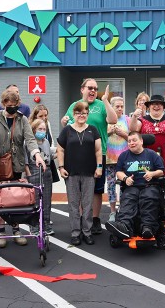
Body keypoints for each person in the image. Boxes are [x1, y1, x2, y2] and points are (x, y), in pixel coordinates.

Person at [0, 90, 45, 247]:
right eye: (8, 105)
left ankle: (16, 229)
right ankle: (1, 231)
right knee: (0, 197)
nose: (11, 107)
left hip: (17, 164)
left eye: (14, 105)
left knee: (15, 198)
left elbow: (30, 139)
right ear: (3, 103)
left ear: (18, 104)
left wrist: (36, 155)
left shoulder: (22, 119)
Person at [61, 78, 117, 235]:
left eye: (95, 88)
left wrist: (105, 100)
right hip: (77, 156)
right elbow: (66, 125)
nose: (93, 91)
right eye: (90, 88)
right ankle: (81, 219)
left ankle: (95, 218)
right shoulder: (74, 105)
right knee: (79, 189)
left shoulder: (101, 105)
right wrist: (63, 121)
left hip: (99, 154)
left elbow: (113, 120)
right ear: (82, 89)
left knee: (96, 190)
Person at [57, 101, 103, 246]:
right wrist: (61, 167)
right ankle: (75, 233)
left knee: (88, 205)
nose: (81, 115)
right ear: (73, 114)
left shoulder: (93, 130)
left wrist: (99, 167)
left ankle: (87, 232)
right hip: (71, 173)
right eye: (78, 113)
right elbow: (60, 150)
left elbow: (98, 150)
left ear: (87, 114)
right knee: (73, 204)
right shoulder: (67, 131)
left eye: (84, 113)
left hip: (89, 173)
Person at [105, 132, 165, 239]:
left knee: (148, 198)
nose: (131, 143)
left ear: (141, 141)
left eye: (134, 140)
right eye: (129, 141)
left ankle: (148, 227)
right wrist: (125, 178)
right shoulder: (124, 155)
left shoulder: (151, 154)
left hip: (149, 185)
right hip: (131, 186)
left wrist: (152, 173)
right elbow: (118, 172)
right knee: (128, 199)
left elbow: (161, 171)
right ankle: (124, 226)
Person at [130, 94, 165, 210]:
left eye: (159, 104)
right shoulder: (142, 120)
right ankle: (149, 206)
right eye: (153, 104)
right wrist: (133, 117)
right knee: (148, 180)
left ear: (163, 106)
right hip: (148, 156)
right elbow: (133, 130)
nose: (156, 106)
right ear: (149, 107)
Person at [25, 119, 55, 236]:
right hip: (33, 171)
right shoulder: (28, 143)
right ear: (34, 130)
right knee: (35, 200)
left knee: (47, 199)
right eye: (40, 129)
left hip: (46, 171)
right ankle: (34, 225)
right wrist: (29, 176)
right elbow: (26, 162)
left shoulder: (46, 142)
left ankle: (46, 223)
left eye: (44, 129)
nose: (42, 131)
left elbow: (50, 157)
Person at [105, 96, 130, 222]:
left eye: (122, 106)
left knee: (124, 185)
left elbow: (132, 138)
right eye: (117, 106)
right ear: (111, 107)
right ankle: (112, 211)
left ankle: (123, 209)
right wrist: (108, 132)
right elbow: (100, 136)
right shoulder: (106, 120)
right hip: (110, 159)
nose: (120, 109)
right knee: (110, 186)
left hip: (124, 159)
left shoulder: (127, 119)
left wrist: (123, 134)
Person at [29, 104, 59, 184]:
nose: (44, 118)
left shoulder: (47, 123)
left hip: (46, 156)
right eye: (41, 116)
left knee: (47, 184)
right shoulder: (30, 126)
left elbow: (50, 139)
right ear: (35, 116)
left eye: (45, 115)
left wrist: (53, 151)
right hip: (35, 159)